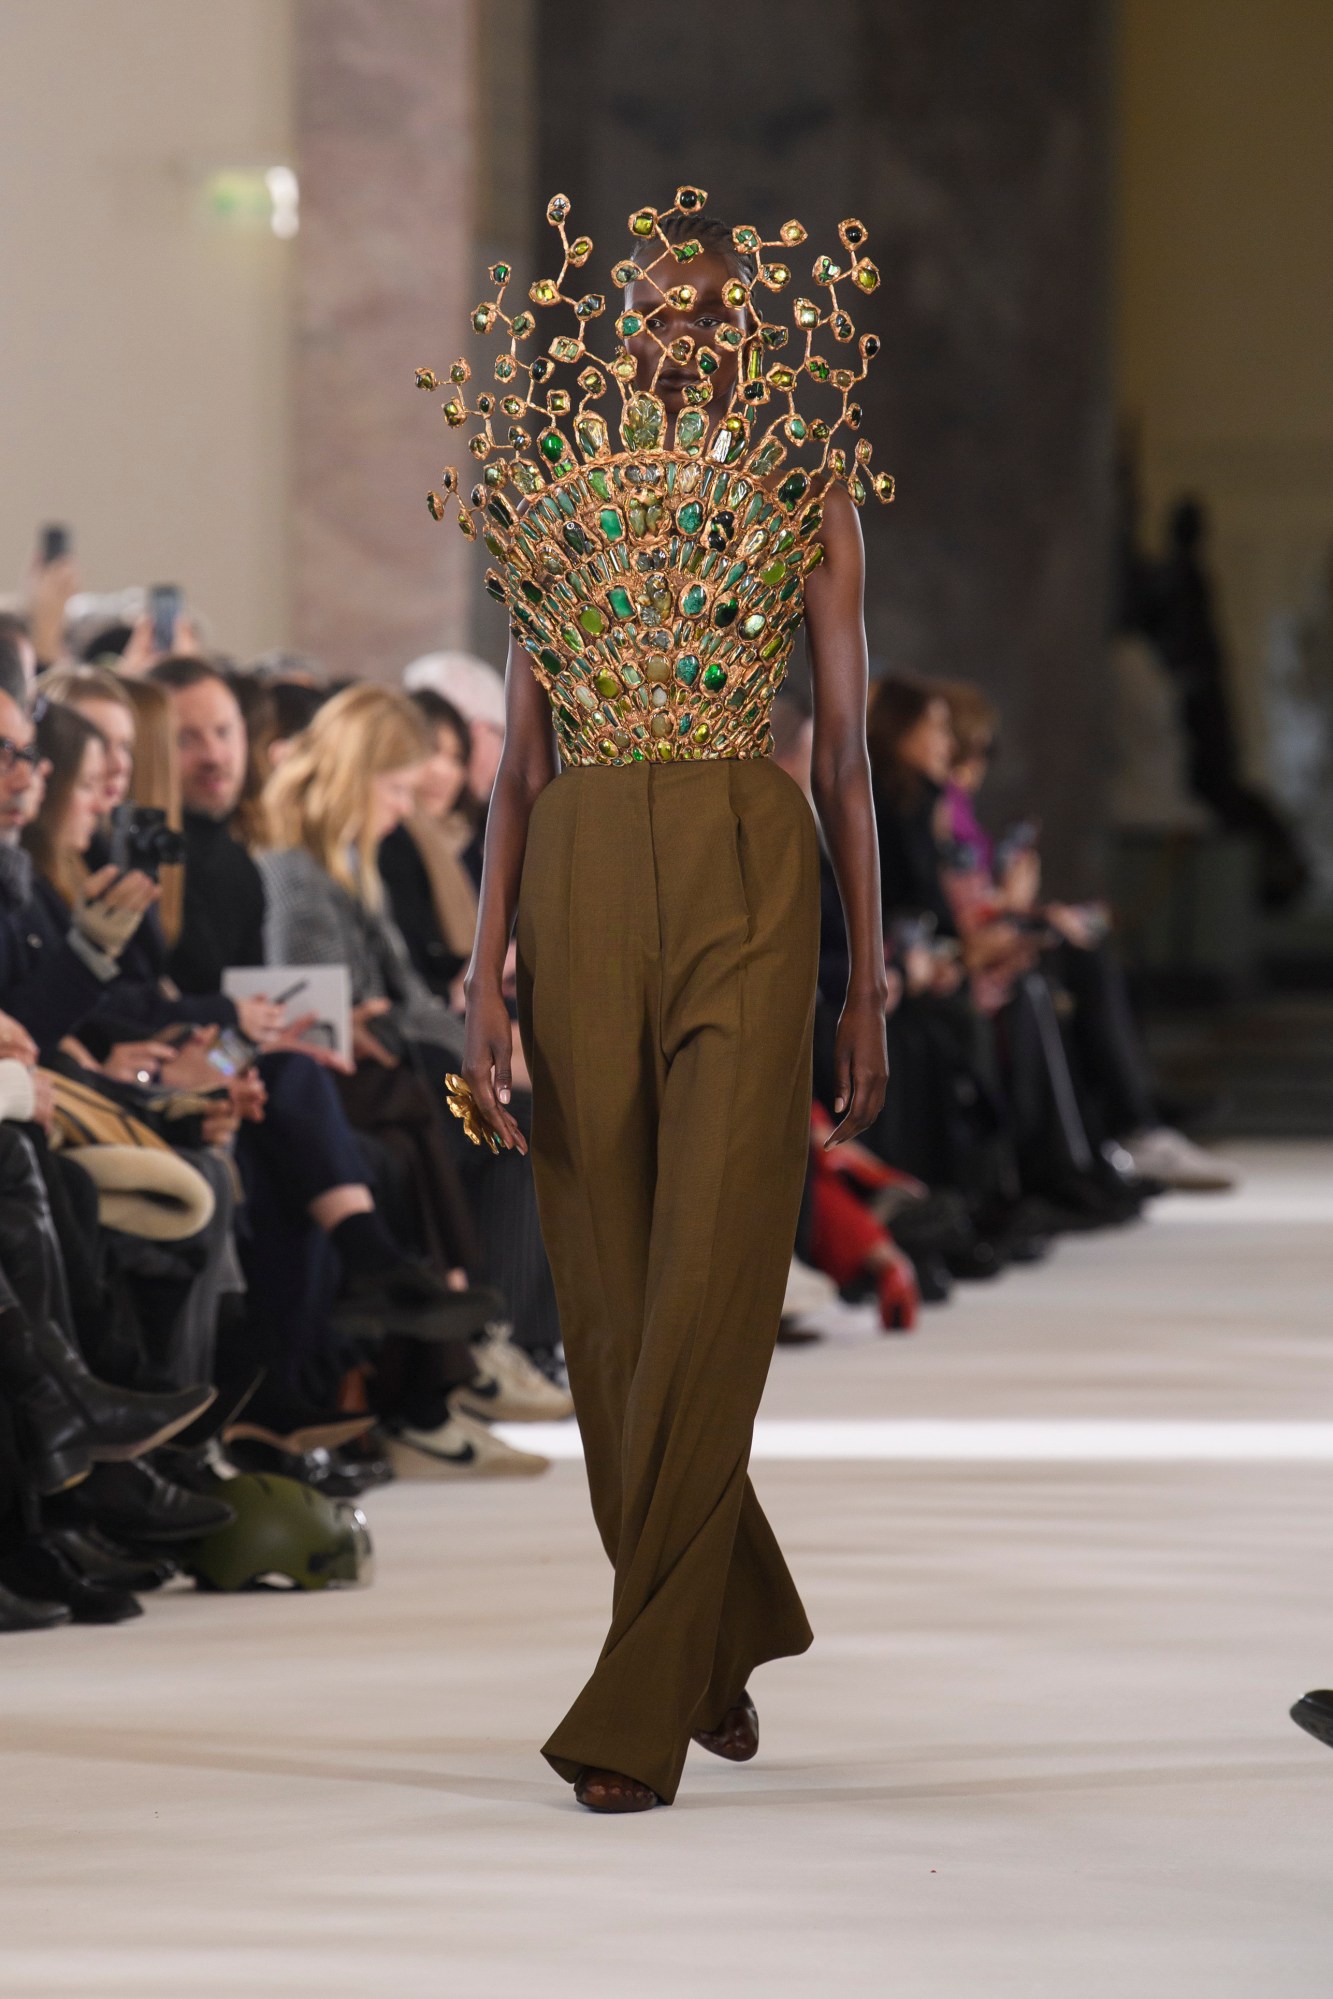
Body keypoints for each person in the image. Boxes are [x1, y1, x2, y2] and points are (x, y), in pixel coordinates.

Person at [446, 190, 891, 1812]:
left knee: (709, 1274)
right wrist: (481, 968)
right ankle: (728, 1610)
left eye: (717, 321)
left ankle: (635, 1703)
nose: (687, 344)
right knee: (608, 1297)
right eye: (661, 318)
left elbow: (840, 751)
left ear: (751, 342)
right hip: (574, 871)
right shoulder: (560, 503)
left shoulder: (805, 490)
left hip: (748, 869)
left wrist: (871, 982)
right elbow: (516, 763)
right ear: (621, 337)